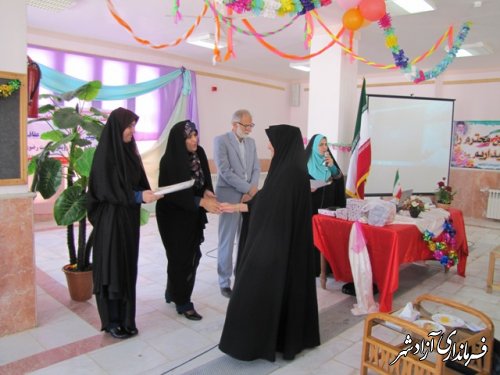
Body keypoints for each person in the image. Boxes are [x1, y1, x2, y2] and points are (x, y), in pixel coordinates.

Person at [219, 124, 320, 362]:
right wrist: (237, 206)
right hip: (281, 241)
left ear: (283, 143)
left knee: (253, 287)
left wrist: (240, 207)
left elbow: (268, 205)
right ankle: (279, 339)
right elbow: (266, 199)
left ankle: (250, 343)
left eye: (272, 141)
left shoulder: (291, 173)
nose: (268, 145)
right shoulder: (289, 168)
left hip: (278, 244)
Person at [87, 107, 160, 339]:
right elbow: (106, 190)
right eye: (129, 126)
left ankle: (127, 318)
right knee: (113, 268)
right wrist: (138, 196)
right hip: (110, 222)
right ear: (117, 128)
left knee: (127, 267)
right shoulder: (104, 156)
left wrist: (147, 193)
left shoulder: (129, 154)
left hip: (127, 220)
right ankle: (112, 321)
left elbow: (139, 182)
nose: (132, 131)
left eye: (133, 126)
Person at [156, 120, 220, 321]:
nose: (194, 140)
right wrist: (201, 201)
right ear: (180, 139)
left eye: (195, 135)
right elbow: (173, 195)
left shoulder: (198, 153)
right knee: (180, 258)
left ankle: (172, 290)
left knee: (191, 255)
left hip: (192, 213)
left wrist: (207, 192)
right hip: (172, 216)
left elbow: (203, 178)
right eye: (190, 137)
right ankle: (183, 302)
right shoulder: (170, 161)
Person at [213, 109, 260, 298]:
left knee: (246, 237)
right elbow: (225, 171)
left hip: (249, 196)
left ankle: (241, 274)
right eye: (246, 125)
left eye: (251, 125)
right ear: (234, 125)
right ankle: (224, 281)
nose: (249, 129)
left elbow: (256, 168)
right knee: (227, 239)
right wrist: (248, 189)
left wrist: (252, 191)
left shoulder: (251, 143)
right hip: (229, 194)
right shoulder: (221, 141)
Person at [305, 134, 345, 276]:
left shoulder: (328, 161)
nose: (324, 147)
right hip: (310, 207)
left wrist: (333, 167)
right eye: (321, 145)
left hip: (328, 206)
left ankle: (327, 267)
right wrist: (306, 187)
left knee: (327, 236)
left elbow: (338, 178)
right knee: (311, 236)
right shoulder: (305, 162)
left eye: (325, 144)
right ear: (314, 146)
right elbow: (296, 184)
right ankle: (312, 267)